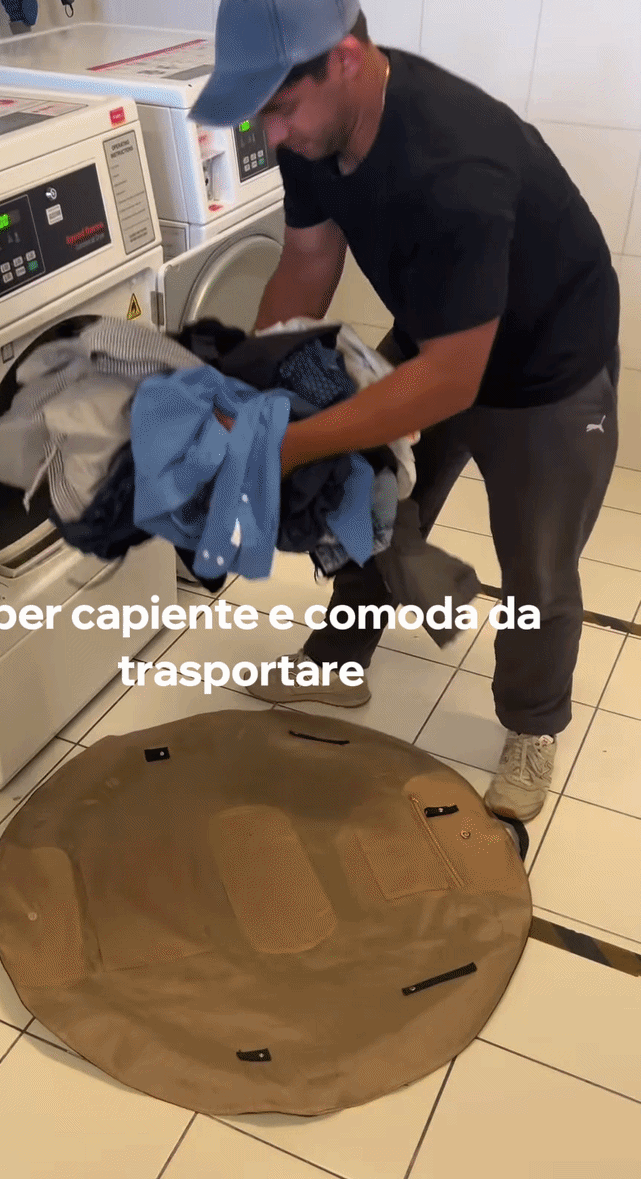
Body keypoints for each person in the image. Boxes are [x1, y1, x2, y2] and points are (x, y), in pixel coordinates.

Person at [189, 0, 620, 823]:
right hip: (441, 330)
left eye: (280, 108)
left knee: (536, 568)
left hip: (547, 369)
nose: (271, 135)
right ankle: (338, 658)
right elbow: (307, 259)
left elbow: (451, 383)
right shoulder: (314, 131)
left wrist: (285, 444)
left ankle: (531, 722)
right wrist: (252, 389)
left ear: (346, 60)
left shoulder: (453, 161)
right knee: (364, 495)